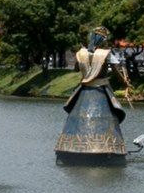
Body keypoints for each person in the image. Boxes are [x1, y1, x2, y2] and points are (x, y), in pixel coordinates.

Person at [55, 28, 131, 164]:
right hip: (100, 91)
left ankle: (70, 148)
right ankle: (107, 150)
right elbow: (116, 71)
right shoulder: (105, 54)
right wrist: (125, 82)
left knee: (76, 119)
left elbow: (76, 69)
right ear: (102, 40)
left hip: (84, 91)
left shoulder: (81, 53)